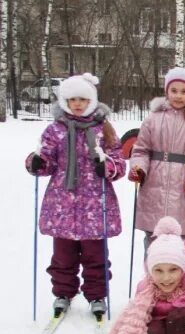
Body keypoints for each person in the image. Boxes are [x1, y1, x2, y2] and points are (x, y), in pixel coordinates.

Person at [25, 73, 126, 317]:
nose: (78, 104)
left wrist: (109, 166)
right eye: (72, 100)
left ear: (91, 100)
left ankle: (97, 295)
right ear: (65, 101)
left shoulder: (104, 130)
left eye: (82, 99)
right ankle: (63, 292)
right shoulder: (55, 130)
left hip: (95, 204)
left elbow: (119, 162)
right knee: (62, 255)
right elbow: (46, 160)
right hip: (62, 205)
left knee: (96, 255)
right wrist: (36, 161)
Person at [128, 67, 185, 247]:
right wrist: (139, 168)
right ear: (166, 91)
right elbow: (141, 150)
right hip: (154, 186)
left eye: (184, 91)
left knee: (183, 242)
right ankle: (153, 274)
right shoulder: (153, 118)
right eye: (174, 90)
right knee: (153, 239)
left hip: (184, 188)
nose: (178, 96)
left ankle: (184, 274)